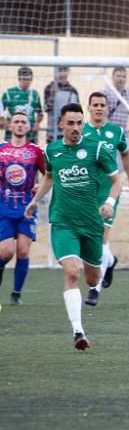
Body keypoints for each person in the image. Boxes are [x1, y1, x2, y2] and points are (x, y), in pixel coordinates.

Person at [24, 103, 122, 350]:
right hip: (63, 222)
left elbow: (116, 181)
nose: (77, 127)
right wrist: (36, 202)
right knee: (71, 272)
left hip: (91, 223)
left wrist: (109, 202)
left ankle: (108, 263)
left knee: (92, 279)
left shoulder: (97, 149)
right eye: (71, 123)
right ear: (61, 125)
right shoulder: (52, 151)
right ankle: (78, 331)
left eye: (79, 122)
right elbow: (49, 176)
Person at [82, 92, 129, 305]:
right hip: (86, 194)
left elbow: (125, 153)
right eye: (95, 104)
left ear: (106, 108)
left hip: (109, 193)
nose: (99, 108)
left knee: (100, 238)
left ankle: (94, 290)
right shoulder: (81, 132)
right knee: (90, 239)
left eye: (102, 105)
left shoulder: (116, 131)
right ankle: (111, 260)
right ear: (88, 108)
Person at [0, 111, 45, 305]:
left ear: (29, 127)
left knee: (24, 251)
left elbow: (49, 174)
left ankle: (16, 293)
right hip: (4, 207)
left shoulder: (35, 151)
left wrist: (40, 185)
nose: (19, 125)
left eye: (23, 122)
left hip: (27, 207)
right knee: (6, 252)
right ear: (10, 126)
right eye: (16, 122)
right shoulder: (1, 149)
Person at [2, 67, 44, 143]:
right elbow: (1, 111)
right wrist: (5, 123)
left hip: (30, 134)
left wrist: (37, 123)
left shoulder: (35, 94)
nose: (26, 82)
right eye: (24, 79)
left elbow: (40, 113)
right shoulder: (9, 93)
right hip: (12, 134)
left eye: (28, 79)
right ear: (19, 79)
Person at [43, 67, 80, 142]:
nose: (62, 72)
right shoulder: (49, 88)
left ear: (68, 71)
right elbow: (46, 108)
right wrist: (52, 96)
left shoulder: (73, 90)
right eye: (60, 69)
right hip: (53, 131)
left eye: (64, 70)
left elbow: (77, 112)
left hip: (69, 132)